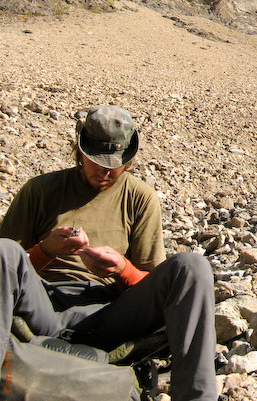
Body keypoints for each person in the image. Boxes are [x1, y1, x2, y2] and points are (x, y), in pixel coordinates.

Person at [0, 105, 217, 401]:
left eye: (114, 163)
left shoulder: (139, 197)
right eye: (96, 161)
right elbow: (8, 268)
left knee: (192, 266)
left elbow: (155, 290)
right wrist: (46, 250)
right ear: (79, 151)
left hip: (110, 315)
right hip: (44, 305)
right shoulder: (41, 191)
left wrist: (122, 270)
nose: (104, 171)